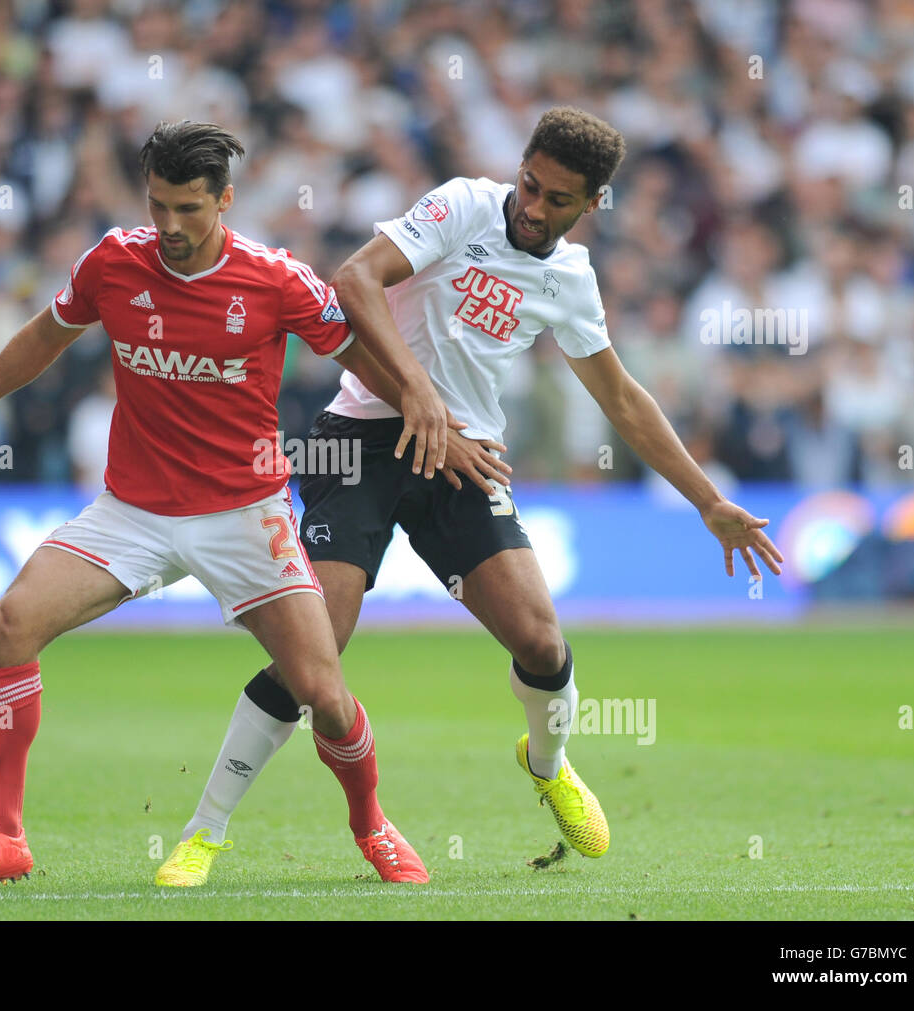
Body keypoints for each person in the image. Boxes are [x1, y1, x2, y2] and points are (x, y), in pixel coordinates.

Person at [162, 106, 784, 884]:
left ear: (591, 206)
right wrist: (417, 392)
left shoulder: (569, 279)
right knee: (315, 652)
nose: (534, 205)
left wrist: (705, 500)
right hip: (357, 437)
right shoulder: (460, 206)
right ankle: (204, 830)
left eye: (559, 199)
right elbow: (353, 279)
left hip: (463, 460)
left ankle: (549, 763)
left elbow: (622, 398)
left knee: (543, 644)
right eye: (530, 184)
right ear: (518, 168)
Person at [0, 121, 492, 886]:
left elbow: (365, 357)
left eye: (188, 210)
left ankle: (370, 824)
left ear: (225, 201)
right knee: (7, 626)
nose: (169, 227)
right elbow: (43, 339)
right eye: (158, 207)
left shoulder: (276, 280)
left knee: (322, 691)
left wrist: (435, 414)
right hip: (133, 511)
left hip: (246, 513)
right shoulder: (114, 261)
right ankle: (6, 835)